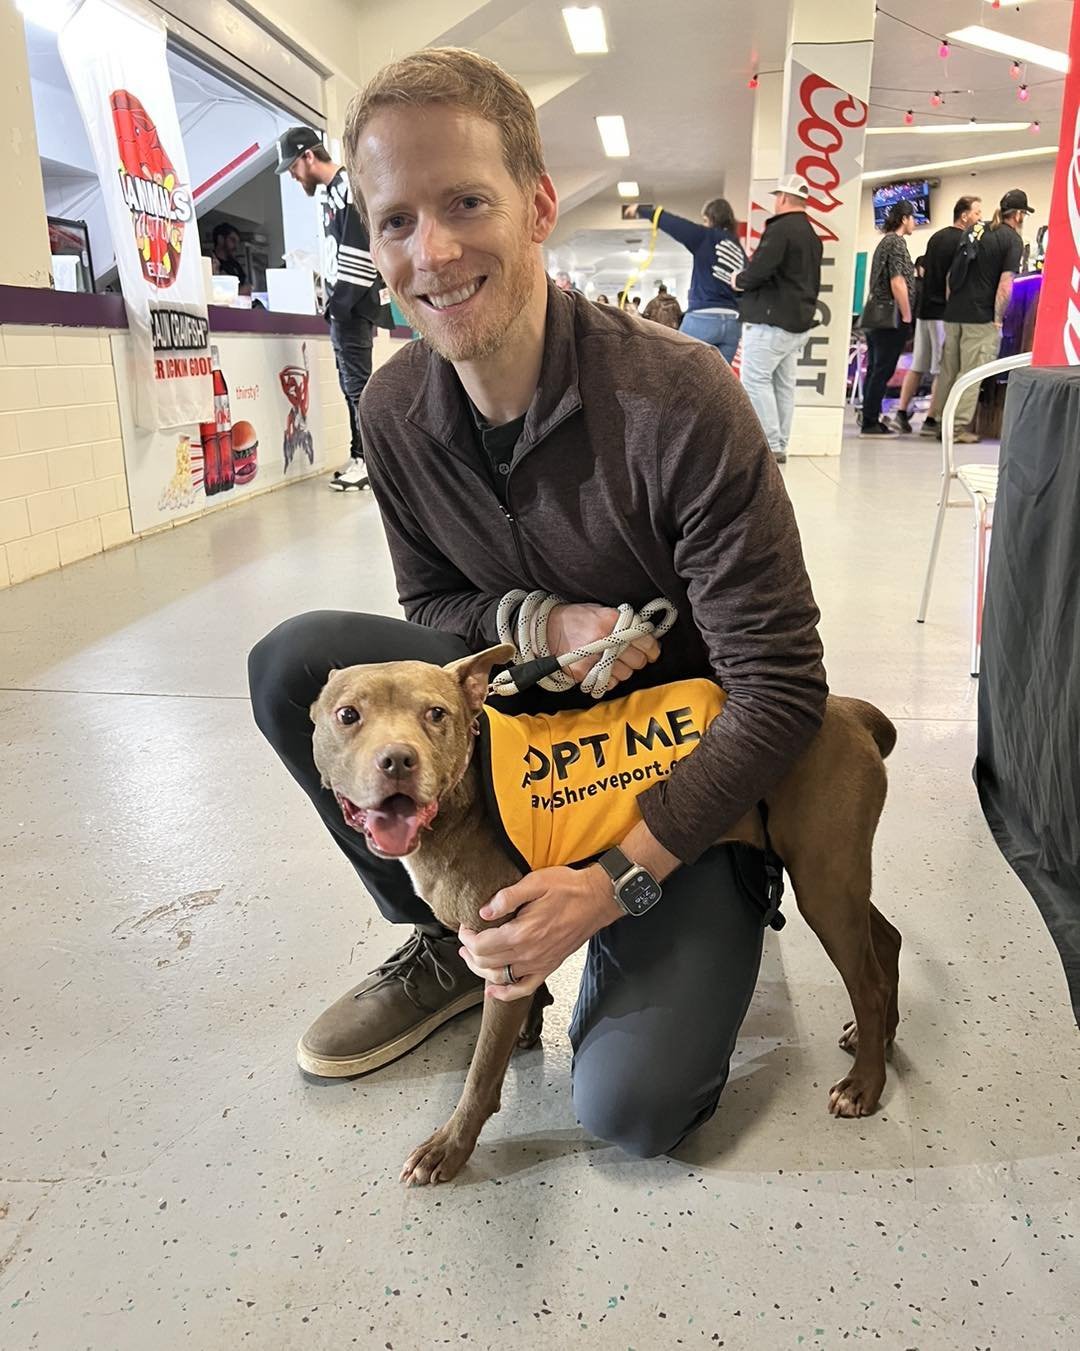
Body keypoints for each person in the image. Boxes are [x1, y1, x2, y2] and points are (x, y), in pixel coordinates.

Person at [247, 48, 826, 1160]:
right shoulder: (398, 406)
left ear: (540, 204)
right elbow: (430, 604)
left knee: (630, 1109)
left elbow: (782, 687)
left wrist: (611, 885)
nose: (435, 251)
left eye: (467, 202)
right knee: (295, 664)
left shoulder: (681, 400)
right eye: (398, 220)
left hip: (675, 758)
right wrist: (538, 625)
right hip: (522, 732)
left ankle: (670, 903)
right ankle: (451, 936)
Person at [275, 125, 389, 491]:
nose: (293, 176)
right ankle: (361, 457)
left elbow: (359, 253)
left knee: (358, 387)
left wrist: (339, 306)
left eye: (293, 167)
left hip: (352, 307)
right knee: (350, 385)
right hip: (345, 306)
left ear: (308, 155)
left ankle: (371, 464)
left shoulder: (346, 191)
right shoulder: (331, 194)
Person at [727, 174, 823, 464]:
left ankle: (769, 444)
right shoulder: (811, 236)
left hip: (771, 320)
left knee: (755, 379)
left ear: (782, 198)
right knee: (784, 384)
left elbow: (760, 271)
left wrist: (738, 280)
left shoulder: (781, 230)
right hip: (799, 321)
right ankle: (780, 441)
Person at [928, 189, 1031, 445]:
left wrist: (953, 304)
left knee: (949, 370)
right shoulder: (1012, 240)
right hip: (980, 315)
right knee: (970, 374)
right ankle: (957, 428)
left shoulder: (975, 229)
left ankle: (940, 421)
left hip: (954, 314)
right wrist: (998, 319)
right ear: (1018, 215)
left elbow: (952, 275)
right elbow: (1006, 284)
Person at [896, 197, 982, 435]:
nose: (979, 218)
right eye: (976, 213)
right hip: (943, 313)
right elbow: (952, 279)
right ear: (964, 216)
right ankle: (931, 420)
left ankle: (901, 413)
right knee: (940, 368)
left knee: (918, 365)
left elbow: (924, 269)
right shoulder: (963, 240)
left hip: (924, 310)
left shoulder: (936, 237)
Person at [638, 198, 747, 362]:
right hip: (732, 323)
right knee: (720, 381)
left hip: (703, 318)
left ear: (711, 218)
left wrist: (643, 211)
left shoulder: (706, 237)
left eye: (705, 220)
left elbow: (674, 224)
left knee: (677, 368)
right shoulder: (738, 248)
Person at [859, 199, 916, 437]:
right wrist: (906, 315)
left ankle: (869, 416)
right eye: (912, 218)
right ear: (904, 218)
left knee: (875, 369)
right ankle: (870, 422)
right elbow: (897, 281)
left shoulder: (884, 242)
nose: (914, 223)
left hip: (874, 316)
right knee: (882, 369)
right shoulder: (897, 244)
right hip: (889, 318)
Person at [209, 223, 248, 291]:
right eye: (233, 240)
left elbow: (243, 282)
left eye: (237, 242)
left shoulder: (235, 264)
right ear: (220, 239)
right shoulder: (209, 262)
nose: (236, 246)